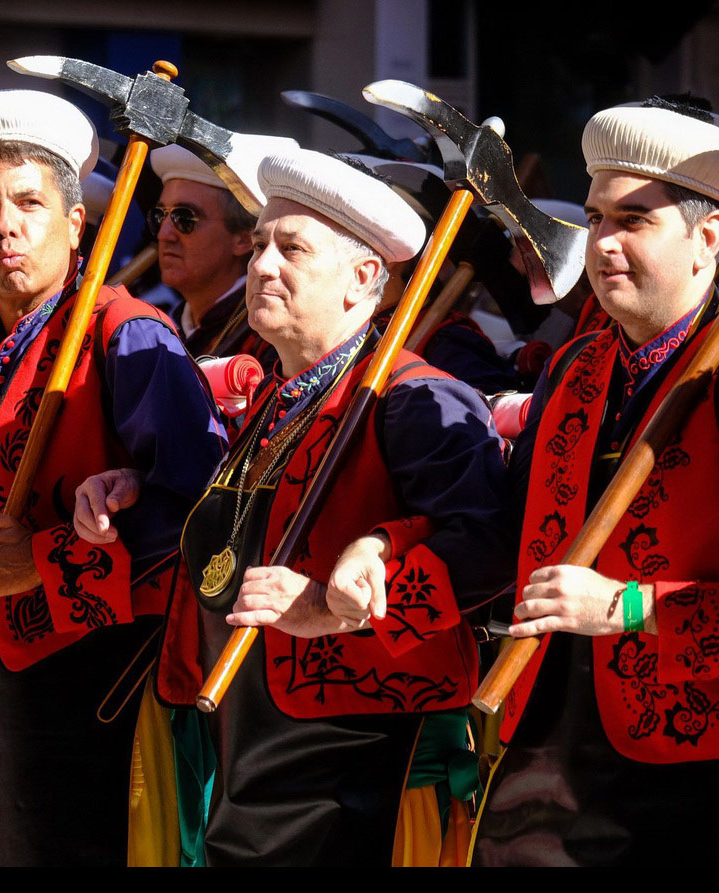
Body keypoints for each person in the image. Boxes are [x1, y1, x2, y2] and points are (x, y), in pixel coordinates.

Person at [77, 148, 515, 865]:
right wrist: (130, 485)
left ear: (364, 278)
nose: (262, 266)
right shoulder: (281, 398)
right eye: (259, 246)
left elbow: (489, 547)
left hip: (362, 759)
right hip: (252, 747)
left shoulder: (414, 398)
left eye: (293, 249)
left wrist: (333, 605)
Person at [471, 97, 719, 867]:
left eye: (633, 220)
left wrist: (630, 607)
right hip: (542, 764)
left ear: (707, 238)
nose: (603, 242)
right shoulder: (574, 368)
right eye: (596, 217)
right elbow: (505, 538)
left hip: (713, 776)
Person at [0, 90, 226, 866]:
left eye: (28, 203)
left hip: (90, 674)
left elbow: (201, 513)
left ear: (77, 224)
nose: (4, 226)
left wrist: (42, 560)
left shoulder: (126, 333)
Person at [148, 136, 293, 365]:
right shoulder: (163, 326)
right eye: (160, 216)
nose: (164, 234)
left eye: (184, 218)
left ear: (244, 239)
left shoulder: (266, 339)